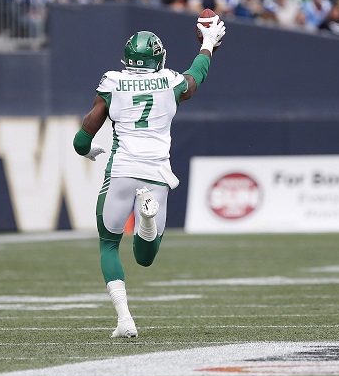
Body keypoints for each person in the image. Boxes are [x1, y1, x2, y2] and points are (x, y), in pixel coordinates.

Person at [72, 18, 227, 338]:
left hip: (121, 171)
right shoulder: (170, 81)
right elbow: (194, 78)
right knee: (145, 257)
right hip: (156, 174)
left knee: (108, 244)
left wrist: (87, 151)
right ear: (158, 58)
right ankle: (146, 221)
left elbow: (82, 138)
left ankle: (124, 319)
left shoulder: (112, 81)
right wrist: (207, 45)